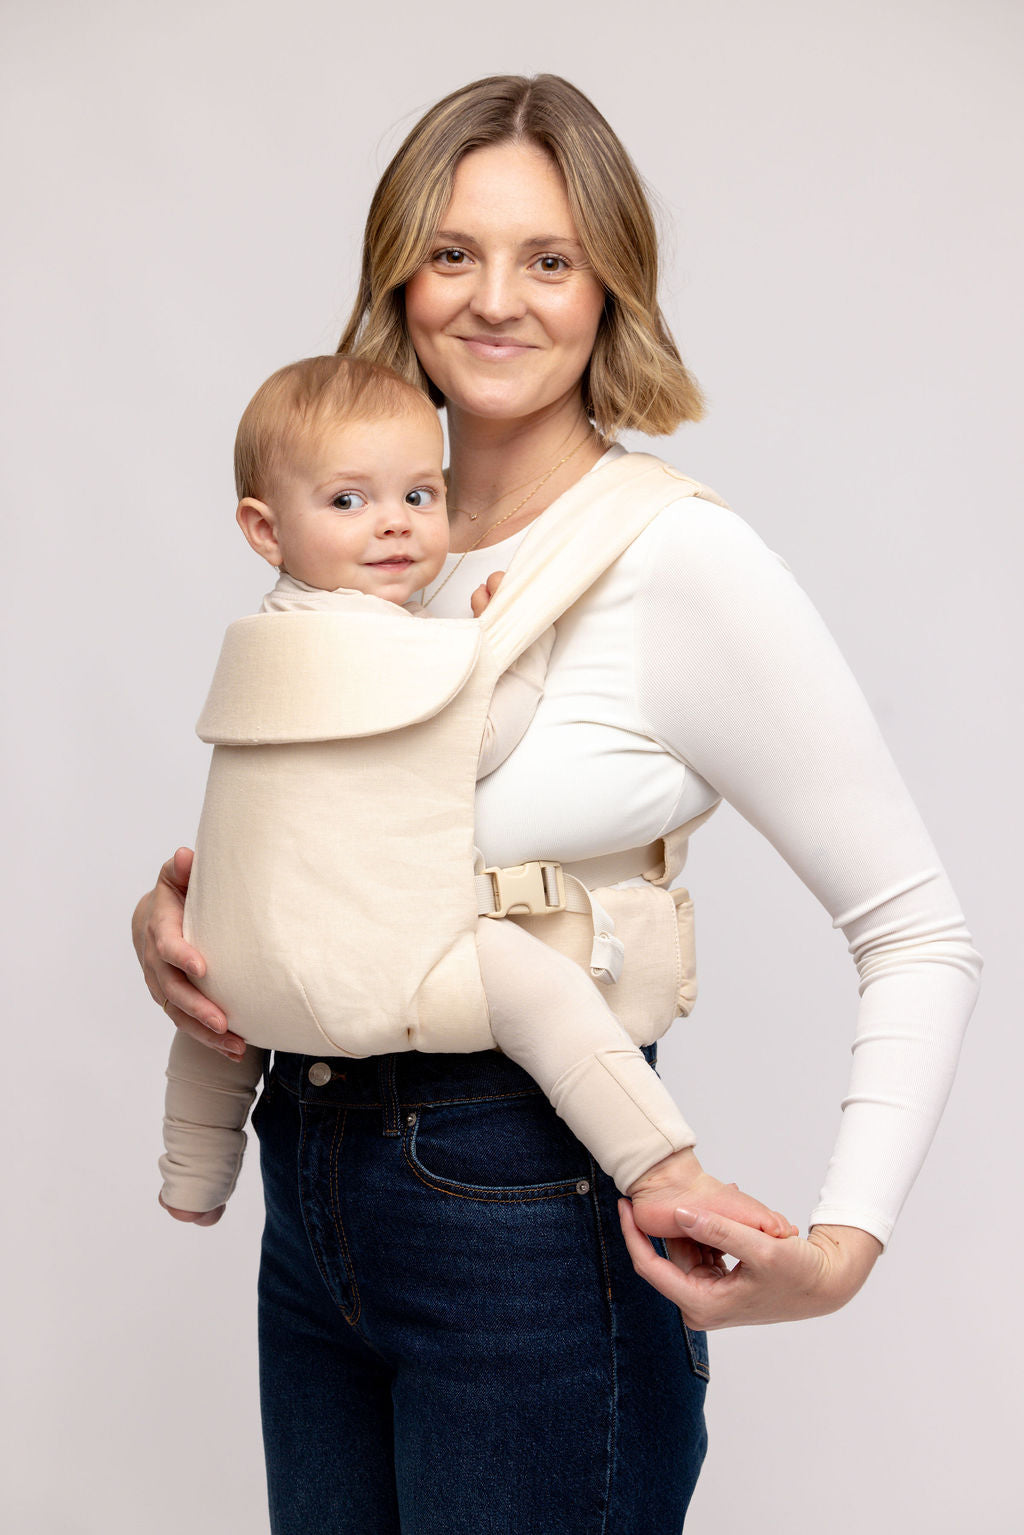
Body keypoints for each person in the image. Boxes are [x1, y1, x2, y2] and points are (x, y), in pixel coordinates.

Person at [133, 74, 982, 1533]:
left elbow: (918, 927)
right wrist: (180, 926)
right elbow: (334, 839)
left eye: (550, 257)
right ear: (399, 274)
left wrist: (843, 1243)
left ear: (611, 289)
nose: (495, 299)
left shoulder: (675, 561)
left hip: (525, 1199)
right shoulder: (371, 533)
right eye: (453, 252)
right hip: (315, 1171)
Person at [158, 350, 798, 1239]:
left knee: (215, 1026)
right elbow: (479, 738)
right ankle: (662, 1166)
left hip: (245, 952)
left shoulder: (263, 643)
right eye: (350, 501)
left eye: (420, 496)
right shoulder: (376, 643)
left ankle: (191, 1175)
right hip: (385, 967)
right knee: (534, 987)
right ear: (265, 531)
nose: (393, 525)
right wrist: (510, 641)